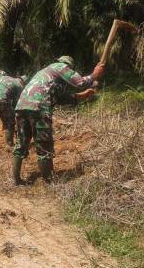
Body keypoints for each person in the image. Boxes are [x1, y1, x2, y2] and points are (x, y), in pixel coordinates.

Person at [12, 56, 104, 185]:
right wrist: (94, 75)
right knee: (44, 144)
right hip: (39, 107)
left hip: (22, 106)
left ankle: (16, 180)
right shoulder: (60, 66)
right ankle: (48, 182)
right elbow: (80, 83)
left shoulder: (47, 75)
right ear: (68, 66)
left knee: (21, 143)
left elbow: (61, 98)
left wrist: (81, 96)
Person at [0, 75, 28, 148]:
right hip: (1, 100)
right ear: (23, 82)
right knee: (9, 122)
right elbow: (18, 104)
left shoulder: (4, 77)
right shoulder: (19, 85)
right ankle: (9, 144)